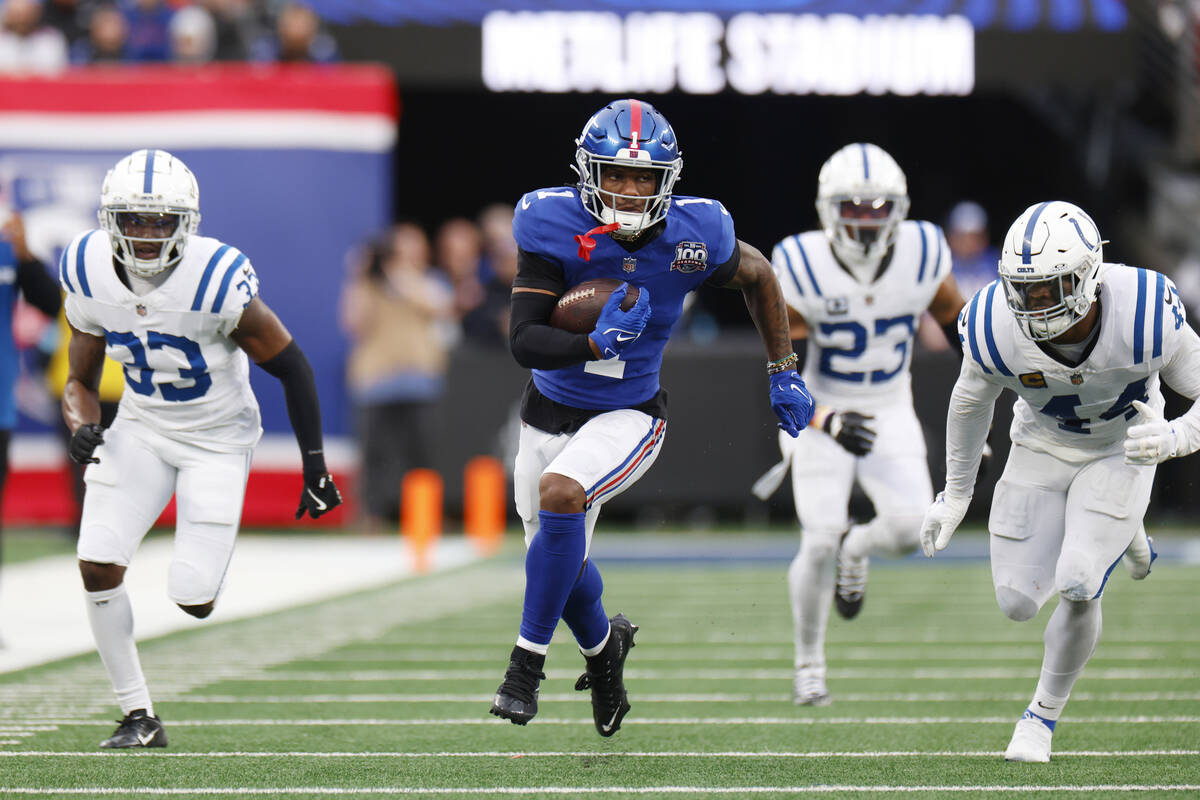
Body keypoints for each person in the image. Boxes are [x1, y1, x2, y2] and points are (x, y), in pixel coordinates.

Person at [490, 98, 814, 736]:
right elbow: (524, 339)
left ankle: (523, 670)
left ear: (668, 180)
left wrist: (783, 369)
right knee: (557, 563)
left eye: (644, 177)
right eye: (616, 174)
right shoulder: (550, 222)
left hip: (629, 415)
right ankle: (604, 649)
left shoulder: (696, 235)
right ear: (590, 173)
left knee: (561, 497)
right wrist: (591, 341)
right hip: (546, 411)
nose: (631, 190)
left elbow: (759, 275)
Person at [62, 149, 343, 748]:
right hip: (140, 426)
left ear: (185, 222)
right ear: (109, 218)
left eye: (159, 220)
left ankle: (205, 562)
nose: (144, 233)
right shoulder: (86, 268)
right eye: (133, 218)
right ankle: (138, 716)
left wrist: (313, 466)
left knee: (192, 598)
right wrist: (82, 424)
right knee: (96, 561)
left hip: (217, 438)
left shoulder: (216, 280)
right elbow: (80, 382)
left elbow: (294, 368)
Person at [919, 200, 1200, 762]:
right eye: (1025, 289)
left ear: (1090, 274)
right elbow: (970, 405)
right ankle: (1126, 530)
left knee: (1076, 580)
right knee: (1016, 602)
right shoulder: (993, 322)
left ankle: (1039, 719)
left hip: (1122, 448)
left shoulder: (1144, 310)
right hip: (1042, 443)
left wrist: (1175, 438)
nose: (1035, 303)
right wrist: (955, 494)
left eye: (1051, 288)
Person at [757, 143, 965, 706]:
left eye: (879, 208)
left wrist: (988, 395)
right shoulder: (801, 262)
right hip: (821, 409)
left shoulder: (923, 251)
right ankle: (809, 666)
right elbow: (785, 369)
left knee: (913, 530)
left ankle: (860, 547)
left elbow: (960, 328)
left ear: (900, 208)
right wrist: (825, 419)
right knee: (817, 538)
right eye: (855, 207)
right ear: (829, 208)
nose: (868, 220)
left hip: (889, 406)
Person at [339, 222, 453, 531]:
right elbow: (354, 323)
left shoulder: (428, 281)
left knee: (422, 452)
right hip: (376, 379)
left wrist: (400, 274)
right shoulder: (366, 286)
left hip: (420, 378)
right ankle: (370, 516)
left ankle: (426, 515)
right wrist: (360, 276)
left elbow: (440, 307)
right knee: (374, 453)